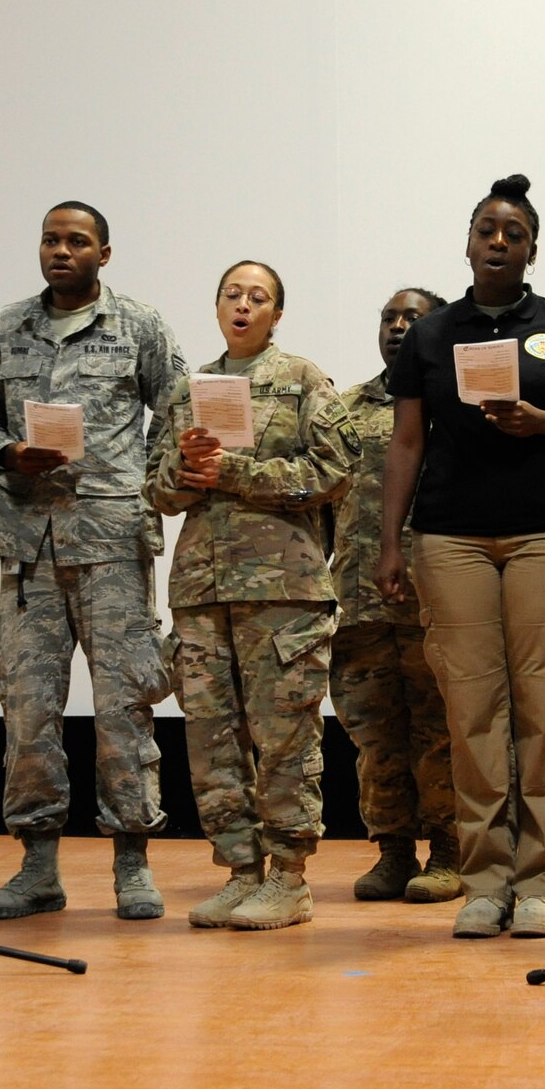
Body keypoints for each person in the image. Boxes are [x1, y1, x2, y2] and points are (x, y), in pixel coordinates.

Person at [379, 174, 545, 940]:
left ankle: (542, 882)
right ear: (469, 242)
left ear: (532, 248)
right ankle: (485, 879)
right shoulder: (433, 334)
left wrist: (541, 420)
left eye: (513, 232)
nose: (498, 242)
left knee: (544, 714)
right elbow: (408, 440)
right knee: (473, 714)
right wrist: (390, 541)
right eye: (486, 230)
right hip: (452, 538)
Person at [0, 202, 186, 921]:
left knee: (123, 707)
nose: (61, 251)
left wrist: (144, 485)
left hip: (111, 541)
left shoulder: (139, 326)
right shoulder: (5, 327)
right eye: (51, 240)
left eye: (77, 241)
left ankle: (132, 861)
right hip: (27, 541)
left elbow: (178, 412)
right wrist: (5, 452)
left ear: (104, 254)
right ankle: (37, 867)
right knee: (28, 712)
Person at [147, 261, 355, 930]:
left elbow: (333, 471)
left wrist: (235, 470)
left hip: (282, 591)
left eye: (257, 297)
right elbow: (157, 490)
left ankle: (289, 878)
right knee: (212, 739)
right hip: (203, 591)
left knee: (284, 738)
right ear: (216, 307)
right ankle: (240, 872)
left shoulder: (301, 380)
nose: (243, 305)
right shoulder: (188, 390)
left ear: (277, 314)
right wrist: (187, 471)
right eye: (232, 294)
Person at [328, 287, 462, 903]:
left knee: (440, 729)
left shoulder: (456, 403)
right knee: (373, 733)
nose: (400, 327)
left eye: (414, 318)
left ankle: (449, 851)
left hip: (434, 595)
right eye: (389, 317)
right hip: (358, 601)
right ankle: (393, 852)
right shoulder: (345, 408)